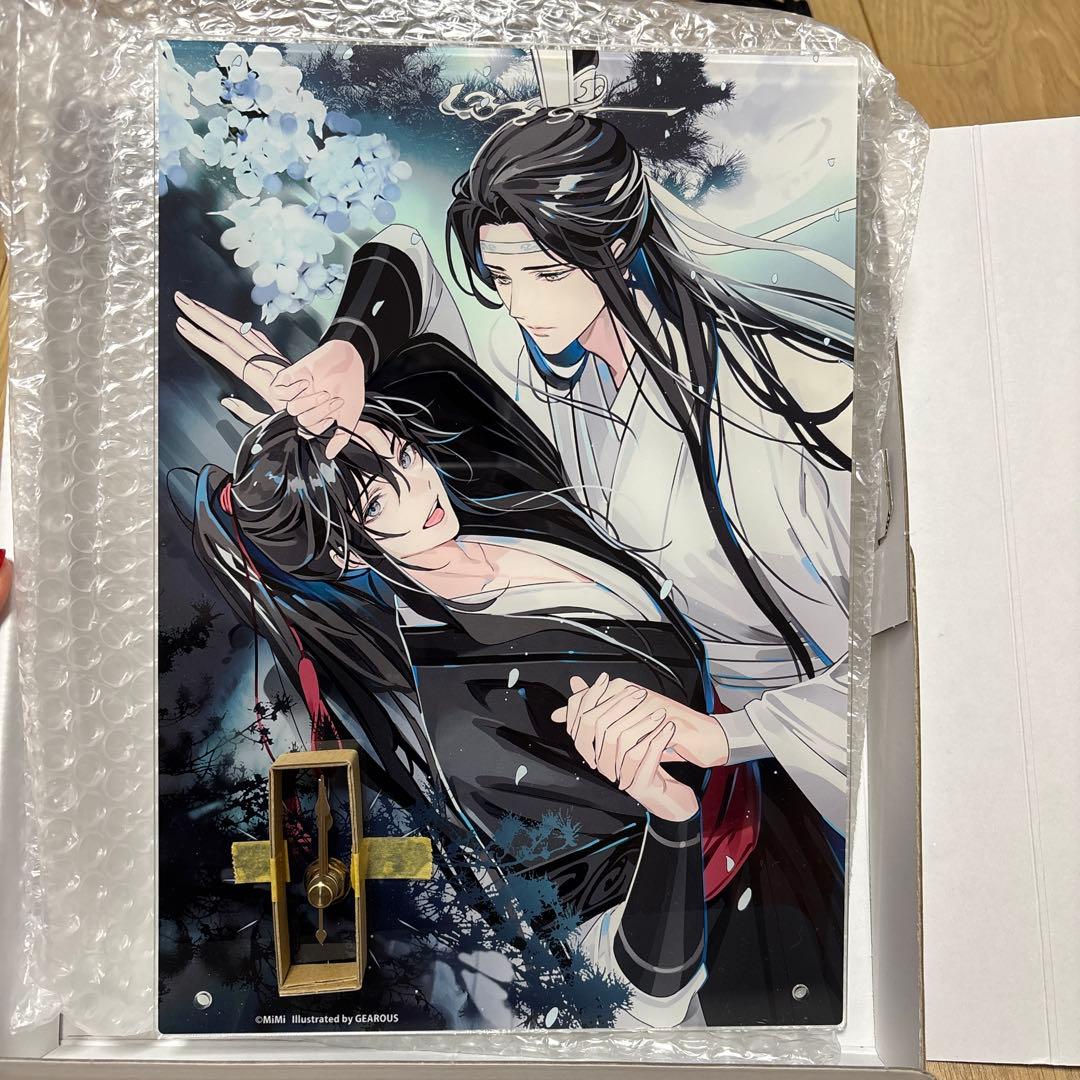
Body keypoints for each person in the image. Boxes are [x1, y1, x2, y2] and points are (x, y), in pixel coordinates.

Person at [179, 108, 854, 840]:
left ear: (618, 244)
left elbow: (883, 657)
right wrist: (347, 352)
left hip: (801, 747)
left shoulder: (775, 404)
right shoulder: (534, 371)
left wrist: (724, 737)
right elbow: (406, 254)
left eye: (548, 272)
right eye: (501, 276)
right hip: (683, 747)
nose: (523, 305)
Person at [170, 320, 843, 1026]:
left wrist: (335, 360)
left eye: (402, 451)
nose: (418, 487)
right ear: (348, 555)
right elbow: (627, 982)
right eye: (374, 501)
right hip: (736, 925)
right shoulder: (469, 718)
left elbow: (418, 317)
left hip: (788, 795)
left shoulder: (489, 491)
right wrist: (672, 822)